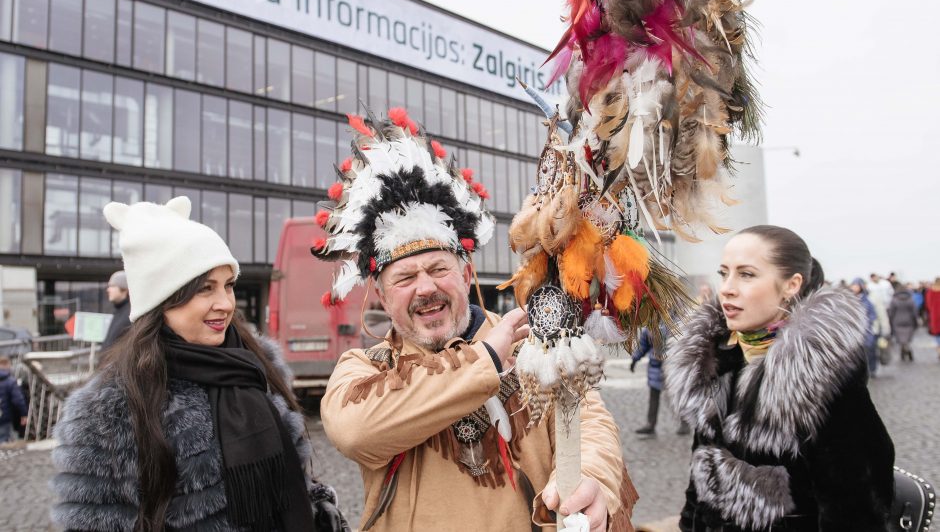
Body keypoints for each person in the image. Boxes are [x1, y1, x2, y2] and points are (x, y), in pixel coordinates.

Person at [317, 112, 637, 531]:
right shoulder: (365, 369)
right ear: (380, 294)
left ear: (467, 274)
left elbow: (591, 422)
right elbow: (355, 431)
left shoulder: (533, 351)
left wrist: (590, 479)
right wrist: (485, 359)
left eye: (438, 269)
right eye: (405, 278)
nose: (425, 288)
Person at [51, 197, 348, 532]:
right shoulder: (106, 410)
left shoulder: (258, 365)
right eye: (205, 289)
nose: (224, 303)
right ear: (163, 298)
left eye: (228, 285)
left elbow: (293, 478)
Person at [667, 225, 894, 531]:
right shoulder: (715, 361)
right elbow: (699, 490)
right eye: (724, 273)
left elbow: (858, 512)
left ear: (791, 284)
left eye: (746, 274)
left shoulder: (820, 380)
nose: (727, 288)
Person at [631, 326, 689, 436]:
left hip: (673, 366)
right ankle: (650, 424)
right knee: (654, 396)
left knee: (677, 396)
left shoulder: (675, 322)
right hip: (656, 367)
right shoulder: (649, 326)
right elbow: (643, 345)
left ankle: (684, 422)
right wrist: (635, 359)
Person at [849, 278, 881, 376]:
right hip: (853, 332)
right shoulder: (849, 300)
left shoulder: (867, 300)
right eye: (853, 285)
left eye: (856, 285)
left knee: (869, 352)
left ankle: (872, 369)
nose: (854, 287)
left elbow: (873, 315)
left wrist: (865, 322)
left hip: (866, 331)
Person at [100, 270, 132, 351]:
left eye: (113, 286)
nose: (108, 290)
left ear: (124, 289)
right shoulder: (119, 311)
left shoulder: (130, 315)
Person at [0, 355, 28, 443]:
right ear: (7, 365)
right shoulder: (10, 381)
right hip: (4, 416)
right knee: (3, 440)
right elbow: (18, 400)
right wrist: (24, 414)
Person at [888, 284, 919, 362]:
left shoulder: (894, 300)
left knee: (900, 338)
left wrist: (890, 321)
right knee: (907, 338)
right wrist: (916, 321)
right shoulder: (911, 299)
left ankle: (904, 350)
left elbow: (891, 312)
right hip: (909, 321)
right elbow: (915, 312)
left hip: (897, 321)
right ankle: (907, 349)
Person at [924, 278, 940, 360]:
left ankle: (939, 349)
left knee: (937, 334)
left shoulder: (930, 292)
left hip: (934, 315)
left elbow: (928, 305)